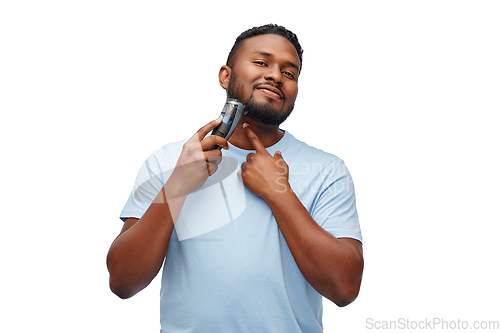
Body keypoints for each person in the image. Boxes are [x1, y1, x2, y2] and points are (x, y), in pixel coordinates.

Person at [107, 24, 363, 333]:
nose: (275, 75)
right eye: (261, 62)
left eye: (289, 73)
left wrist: (279, 192)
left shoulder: (327, 170)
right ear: (225, 76)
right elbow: (122, 281)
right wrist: (177, 185)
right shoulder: (168, 161)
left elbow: (345, 288)